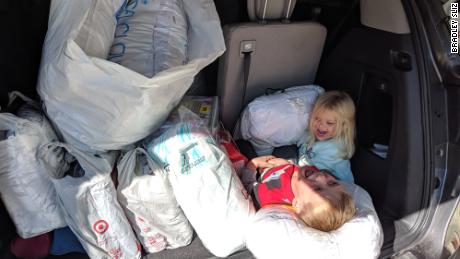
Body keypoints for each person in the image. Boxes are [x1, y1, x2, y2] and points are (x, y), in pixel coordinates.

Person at [241, 155, 356, 232]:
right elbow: (297, 169)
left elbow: (248, 185)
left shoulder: (271, 195)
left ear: (297, 204)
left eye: (317, 189)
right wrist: (286, 164)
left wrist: (252, 165)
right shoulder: (309, 174)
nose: (321, 176)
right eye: (332, 183)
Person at [298, 90, 356, 183]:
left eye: (329, 123)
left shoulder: (333, 150)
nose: (321, 126)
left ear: (344, 126)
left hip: (331, 188)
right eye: (317, 119)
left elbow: (310, 172)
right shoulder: (316, 136)